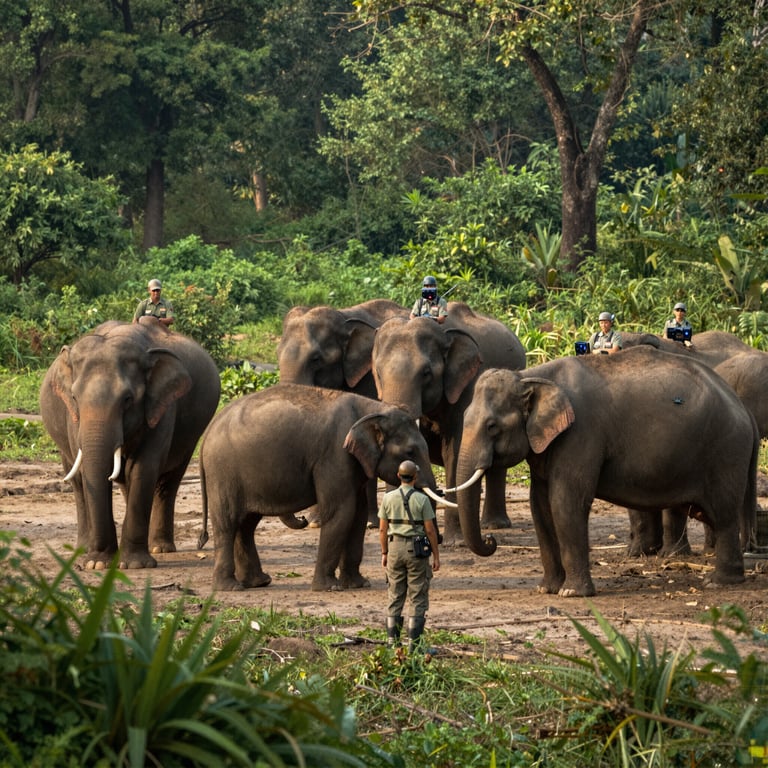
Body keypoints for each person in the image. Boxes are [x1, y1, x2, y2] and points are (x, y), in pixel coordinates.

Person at [378, 459, 440, 651]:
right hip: (416, 550)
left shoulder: (388, 498)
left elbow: (382, 529)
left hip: (394, 548)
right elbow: (430, 530)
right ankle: (415, 646)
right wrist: (436, 555)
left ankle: (392, 644)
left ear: (398, 476)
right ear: (415, 477)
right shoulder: (422, 499)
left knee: (395, 594)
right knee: (417, 594)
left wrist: (384, 552)